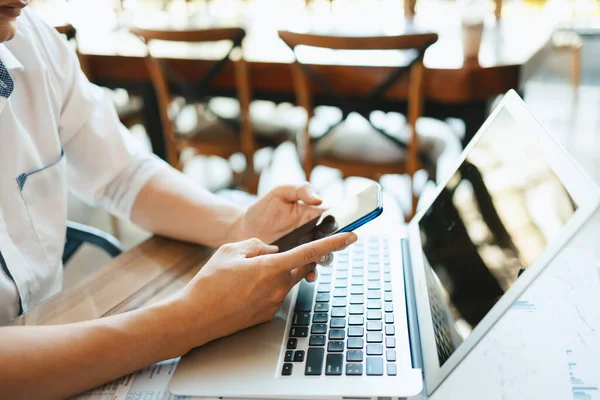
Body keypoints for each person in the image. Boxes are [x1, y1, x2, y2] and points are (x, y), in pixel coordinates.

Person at [0, 2, 357, 398]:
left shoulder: (32, 39)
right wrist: (189, 320)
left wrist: (238, 225)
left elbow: (122, 172)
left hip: (53, 332)